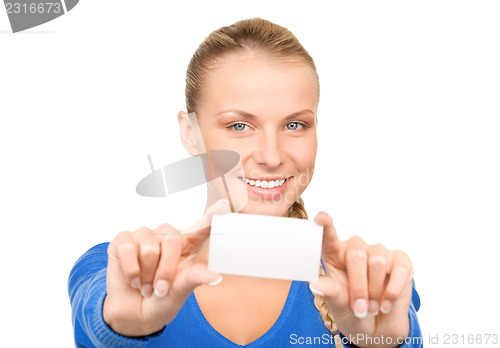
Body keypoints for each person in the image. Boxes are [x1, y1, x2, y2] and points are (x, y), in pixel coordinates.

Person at [68, 18, 422, 347]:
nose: (270, 156)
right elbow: (98, 306)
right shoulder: (118, 268)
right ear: (190, 134)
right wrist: (121, 324)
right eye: (239, 126)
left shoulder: (368, 283)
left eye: (295, 125)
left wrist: (381, 343)